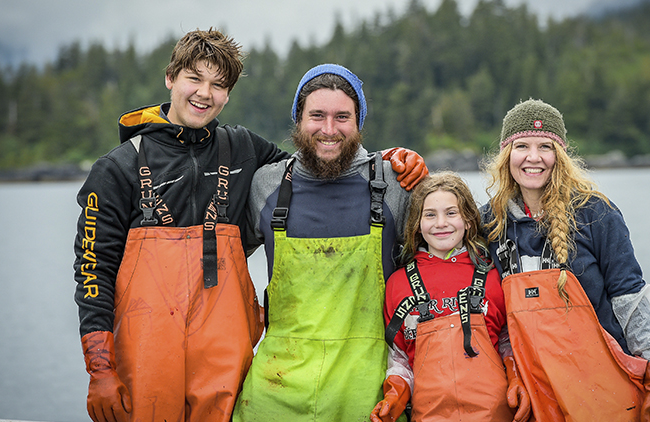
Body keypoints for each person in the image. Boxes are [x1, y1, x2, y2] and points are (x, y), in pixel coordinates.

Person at [73, 30, 426, 422]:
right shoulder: (115, 169)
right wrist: (100, 369)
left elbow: (322, 161)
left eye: (218, 84)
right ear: (170, 78)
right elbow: (92, 270)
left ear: (228, 94)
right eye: (194, 78)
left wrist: (390, 158)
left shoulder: (245, 150)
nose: (204, 93)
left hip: (224, 363)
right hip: (147, 354)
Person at [232, 63, 427, 421]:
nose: (328, 129)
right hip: (277, 386)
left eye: (342, 117)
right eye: (316, 115)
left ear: (359, 122)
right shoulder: (266, 184)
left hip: (368, 388)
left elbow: (449, 254)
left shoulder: (394, 181)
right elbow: (219, 262)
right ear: (298, 119)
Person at [481, 98, 650, 421]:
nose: (533, 158)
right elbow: (496, 318)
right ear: (506, 154)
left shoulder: (597, 213)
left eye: (545, 146)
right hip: (535, 391)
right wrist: (511, 371)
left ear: (560, 154)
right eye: (522, 146)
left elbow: (631, 300)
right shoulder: (490, 222)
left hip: (605, 388)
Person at [371, 171, 532, 422]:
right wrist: (395, 397)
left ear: (468, 220)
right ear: (417, 224)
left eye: (451, 213)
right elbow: (400, 358)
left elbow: (505, 341)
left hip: (495, 413)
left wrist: (516, 379)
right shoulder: (397, 284)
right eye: (430, 215)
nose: (441, 223)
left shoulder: (492, 277)